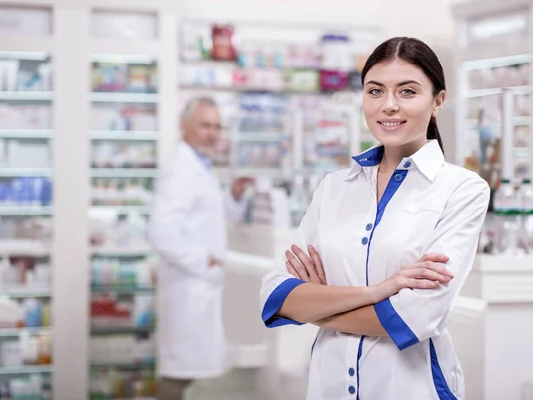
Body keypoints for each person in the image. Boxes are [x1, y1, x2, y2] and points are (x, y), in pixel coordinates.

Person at [259, 37, 490, 400]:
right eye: (376, 91)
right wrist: (378, 291)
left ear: (438, 102)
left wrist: (319, 307)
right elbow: (275, 294)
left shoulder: (462, 190)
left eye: (408, 91)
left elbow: (416, 316)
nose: (389, 105)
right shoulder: (334, 187)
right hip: (329, 387)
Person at [149, 97, 252, 400]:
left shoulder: (200, 165)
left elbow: (208, 218)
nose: (212, 133)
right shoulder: (180, 170)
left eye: (217, 127)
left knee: (188, 370)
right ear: (185, 127)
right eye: (205, 125)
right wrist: (202, 262)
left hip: (198, 287)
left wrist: (232, 198)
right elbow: (161, 231)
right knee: (179, 372)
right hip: (188, 285)